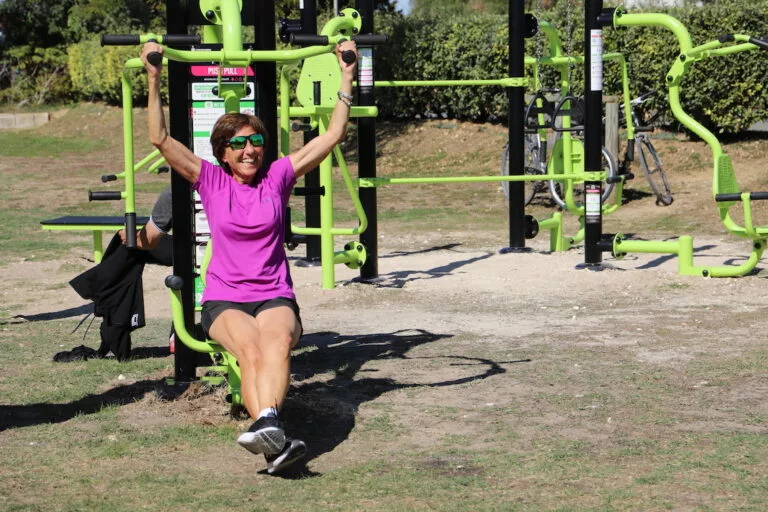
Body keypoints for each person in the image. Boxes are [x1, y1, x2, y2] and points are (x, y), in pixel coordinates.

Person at [140, 39, 358, 474]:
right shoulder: (210, 182)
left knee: (277, 342)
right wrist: (153, 77)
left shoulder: (277, 176)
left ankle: (270, 431)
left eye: (255, 141)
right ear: (222, 153)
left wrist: (347, 75)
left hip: (274, 293)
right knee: (252, 352)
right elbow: (159, 137)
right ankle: (273, 433)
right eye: (238, 145)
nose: (249, 150)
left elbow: (332, 136)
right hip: (225, 297)